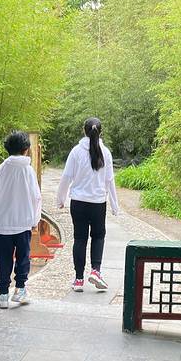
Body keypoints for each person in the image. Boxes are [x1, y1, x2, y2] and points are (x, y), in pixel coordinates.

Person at [57, 117, 119, 292]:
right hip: (98, 203)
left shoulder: (76, 152)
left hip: (78, 203)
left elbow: (66, 177)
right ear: (101, 132)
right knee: (98, 237)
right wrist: (114, 205)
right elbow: (109, 180)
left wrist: (60, 199)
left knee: (80, 238)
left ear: (83, 131)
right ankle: (95, 271)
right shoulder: (105, 152)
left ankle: (78, 279)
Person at [0, 130, 42, 309]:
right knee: (23, 257)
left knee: (3, 259)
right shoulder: (28, 171)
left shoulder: (1, 169)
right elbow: (36, 197)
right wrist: (35, 220)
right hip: (23, 222)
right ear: (26, 149)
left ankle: (3, 294)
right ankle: (20, 289)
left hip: (3, 223)